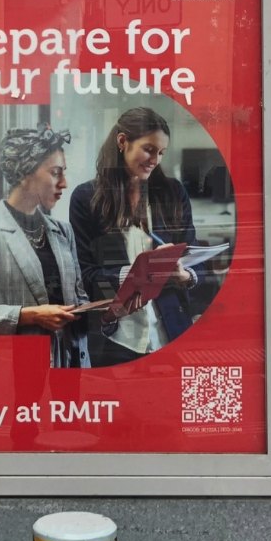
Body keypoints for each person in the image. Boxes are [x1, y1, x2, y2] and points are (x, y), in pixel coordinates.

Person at [69, 106, 200, 367]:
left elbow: (194, 257)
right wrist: (135, 274)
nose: (155, 160)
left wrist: (185, 275)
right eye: (149, 149)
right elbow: (83, 274)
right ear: (122, 141)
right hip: (115, 338)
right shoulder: (86, 199)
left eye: (161, 153)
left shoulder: (173, 193)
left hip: (172, 332)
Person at [0, 126, 90, 369]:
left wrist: (110, 310)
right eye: (55, 173)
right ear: (25, 174)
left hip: (69, 367)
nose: (64, 183)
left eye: (64, 173)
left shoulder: (63, 231)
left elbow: (79, 298)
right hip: (15, 370)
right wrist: (29, 315)